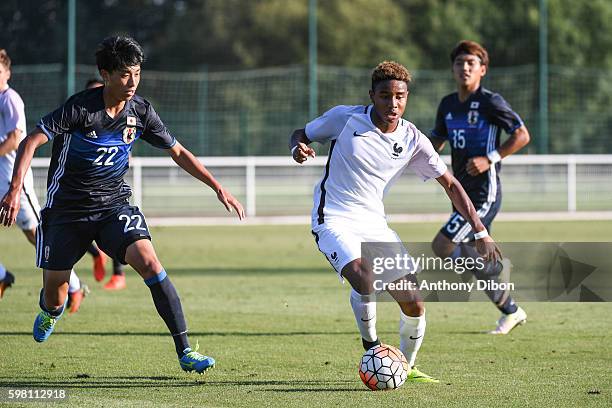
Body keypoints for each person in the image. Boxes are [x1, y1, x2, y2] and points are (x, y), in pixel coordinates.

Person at [0, 36, 244, 373]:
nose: (132, 82)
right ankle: (49, 312)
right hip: (67, 213)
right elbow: (31, 140)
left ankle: (186, 350)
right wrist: (14, 190)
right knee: (55, 297)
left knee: (150, 263)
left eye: (137, 74)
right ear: (105, 74)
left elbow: (178, 152)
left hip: (114, 206)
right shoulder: (81, 108)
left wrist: (217, 187)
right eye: (125, 75)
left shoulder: (140, 111)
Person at [290, 61, 501, 383]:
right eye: (385, 96)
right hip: (333, 217)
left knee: (414, 303)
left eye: (399, 96)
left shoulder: (413, 139)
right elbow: (301, 133)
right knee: (365, 277)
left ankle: (407, 365)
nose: (393, 103)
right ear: (372, 95)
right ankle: (372, 348)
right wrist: (298, 148)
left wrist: (481, 231)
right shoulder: (345, 118)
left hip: (375, 223)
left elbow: (452, 185)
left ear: (407, 97)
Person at [429, 40, 531, 334]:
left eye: (471, 63)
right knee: (472, 257)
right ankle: (511, 310)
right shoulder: (447, 104)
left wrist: (491, 158)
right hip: (459, 192)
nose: (464, 68)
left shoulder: (491, 102)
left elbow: (522, 135)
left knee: (441, 245)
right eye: (460, 63)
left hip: (484, 194)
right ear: (452, 68)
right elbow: (436, 140)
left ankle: (490, 270)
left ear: (482, 70)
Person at [0, 48, 88, 312]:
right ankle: (3, 275)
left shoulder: (9, 99)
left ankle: (73, 285)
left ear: (7, 73)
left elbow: (16, 138)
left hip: (13, 182)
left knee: (39, 237)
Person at [84, 77, 127, 290]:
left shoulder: (121, 118)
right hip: (82, 192)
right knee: (75, 229)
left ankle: (118, 274)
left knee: (118, 228)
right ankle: (97, 254)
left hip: (111, 190)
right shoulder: (79, 118)